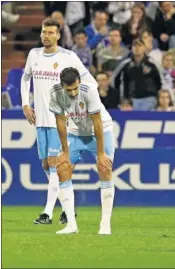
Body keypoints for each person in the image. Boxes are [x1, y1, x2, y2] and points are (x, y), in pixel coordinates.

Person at [20, 18, 98, 225]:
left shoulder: (68, 56)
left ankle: (47, 213)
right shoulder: (34, 55)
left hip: (60, 121)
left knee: (55, 165)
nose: (46, 36)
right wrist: (25, 104)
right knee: (47, 165)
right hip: (40, 121)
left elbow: (90, 81)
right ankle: (68, 208)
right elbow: (25, 78)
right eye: (44, 32)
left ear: (58, 35)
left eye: (50, 33)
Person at [49, 67, 115, 235]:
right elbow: (60, 122)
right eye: (68, 89)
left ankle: (105, 224)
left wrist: (100, 154)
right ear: (62, 85)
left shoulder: (89, 91)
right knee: (62, 168)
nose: (72, 93)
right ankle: (71, 224)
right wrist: (64, 151)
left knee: (104, 168)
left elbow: (97, 122)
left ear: (79, 82)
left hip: (100, 131)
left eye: (75, 88)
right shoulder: (56, 92)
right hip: (75, 133)